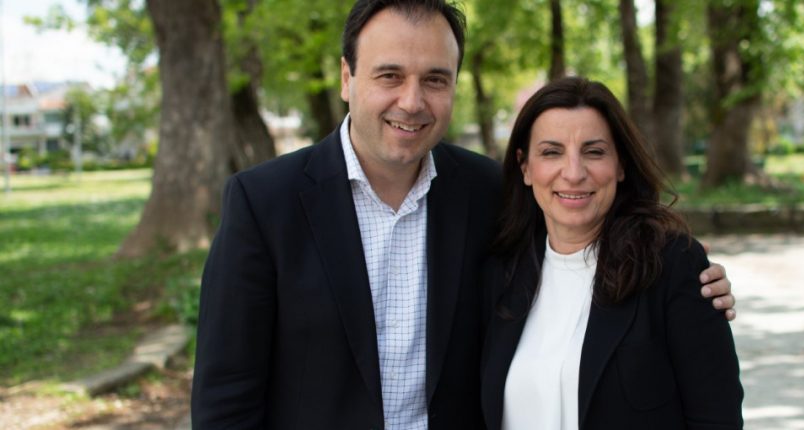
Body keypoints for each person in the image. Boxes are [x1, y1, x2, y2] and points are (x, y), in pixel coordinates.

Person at [191, 1, 736, 428]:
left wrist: (684, 279)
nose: (412, 101)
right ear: (346, 78)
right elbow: (226, 399)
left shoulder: (487, 193)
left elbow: (583, 233)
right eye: (389, 76)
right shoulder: (264, 204)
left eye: (435, 78)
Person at [480, 76, 743, 430]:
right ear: (525, 167)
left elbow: (717, 419)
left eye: (594, 152)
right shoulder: (500, 272)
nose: (574, 173)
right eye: (552, 152)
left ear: (621, 164)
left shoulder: (671, 265)